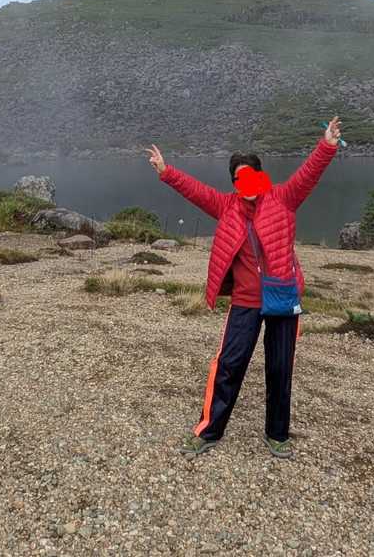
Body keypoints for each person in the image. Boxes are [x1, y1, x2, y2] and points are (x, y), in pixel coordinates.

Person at [146, 116, 343, 459]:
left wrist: (326, 145)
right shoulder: (226, 206)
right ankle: (209, 431)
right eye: (239, 178)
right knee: (229, 365)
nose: (246, 182)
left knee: (280, 368)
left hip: (282, 298)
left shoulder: (284, 198)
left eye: (251, 175)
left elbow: (309, 174)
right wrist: (166, 171)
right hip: (246, 301)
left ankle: (277, 434)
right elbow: (196, 191)